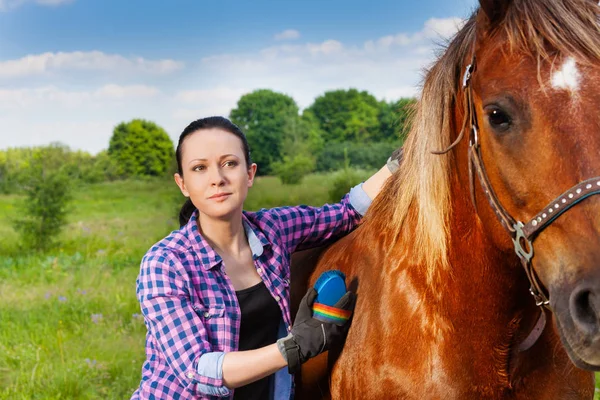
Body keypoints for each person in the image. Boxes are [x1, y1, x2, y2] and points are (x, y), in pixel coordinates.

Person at [131, 116, 398, 400]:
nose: (217, 179)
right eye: (199, 168)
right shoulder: (165, 263)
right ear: (182, 184)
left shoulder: (274, 229)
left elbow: (346, 213)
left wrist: (396, 165)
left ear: (249, 173)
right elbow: (198, 371)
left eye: (229, 163)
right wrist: (293, 347)